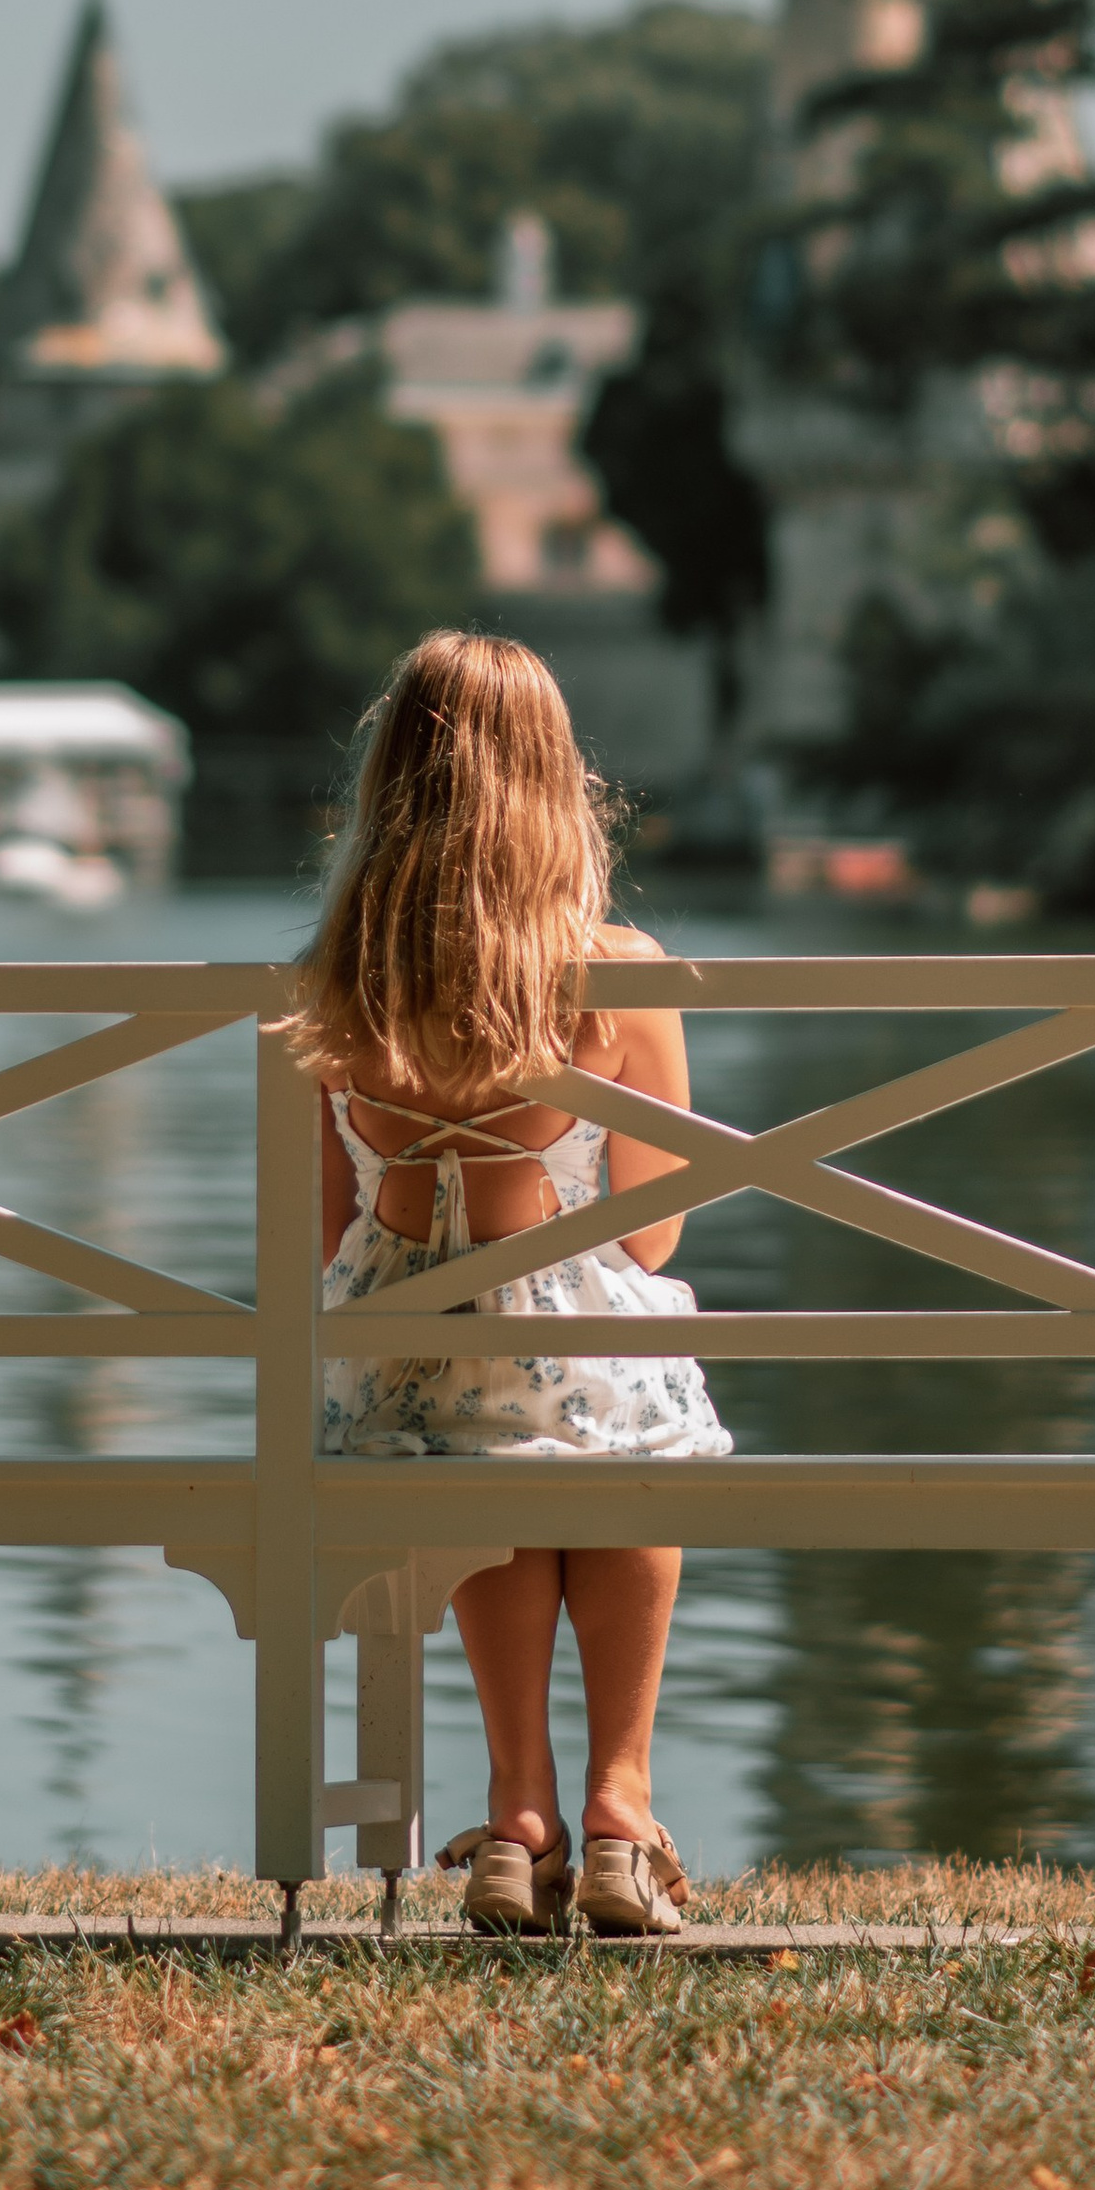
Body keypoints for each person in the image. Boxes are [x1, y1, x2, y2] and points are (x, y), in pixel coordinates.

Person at [288, 629, 731, 1939]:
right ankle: (616, 1809)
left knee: (495, 1424)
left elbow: (328, 1234)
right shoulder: (623, 975)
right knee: (626, 1409)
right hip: (583, 1394)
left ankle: (515, 1813)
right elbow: (657, 1238)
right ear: (559, 786)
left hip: (397, 1402)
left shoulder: (341, 992)